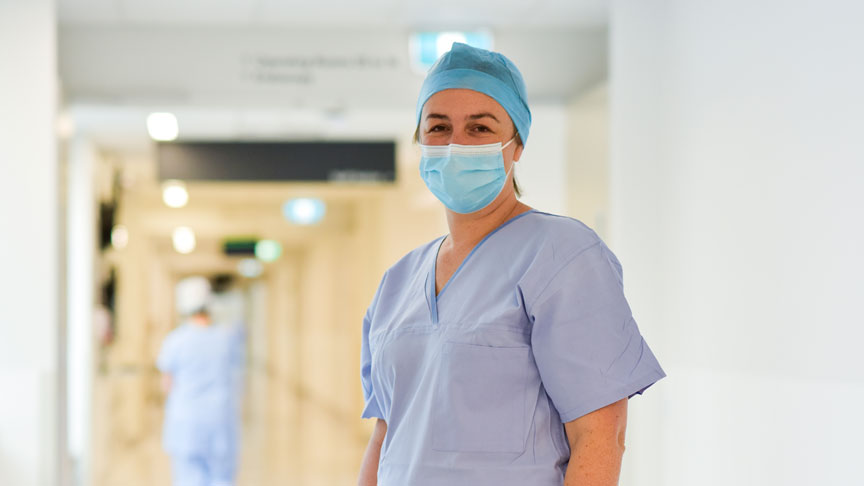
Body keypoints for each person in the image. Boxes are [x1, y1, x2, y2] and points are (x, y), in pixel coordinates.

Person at [357, 43, 666, 486]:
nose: (455, 143)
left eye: (479, 127)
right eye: (439, 126)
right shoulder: (398, 281)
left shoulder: (563, 255)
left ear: (516, 143)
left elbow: (600, 436)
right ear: (421, 141)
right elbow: (385, 436)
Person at [157, 276, 245, 486]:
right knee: (221, 478)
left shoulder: (175, 341)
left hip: (186, 423)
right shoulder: (226, 338)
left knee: (188, 478)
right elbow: (235, 374)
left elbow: (167, 384)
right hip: (219, 421)